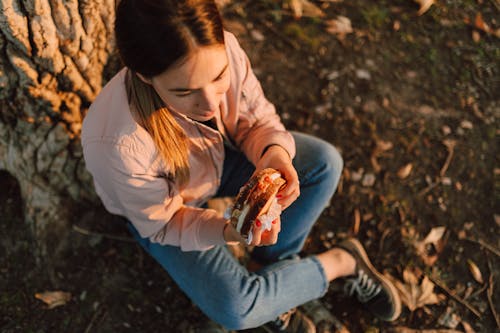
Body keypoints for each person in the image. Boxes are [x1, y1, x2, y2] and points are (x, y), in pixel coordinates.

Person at [81, 0, 401, 331]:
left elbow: (256, 118)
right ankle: (341, 262)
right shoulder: (115, 144)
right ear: (145, 77)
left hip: (220, 159)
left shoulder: (227, 49)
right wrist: (226, 231)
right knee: (236, 308)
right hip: (166, 213)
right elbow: (161, 223)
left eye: (219, 76)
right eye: (185, 91)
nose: (210, 101)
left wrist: (273, 155)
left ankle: (270, 270)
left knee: (323, 164)